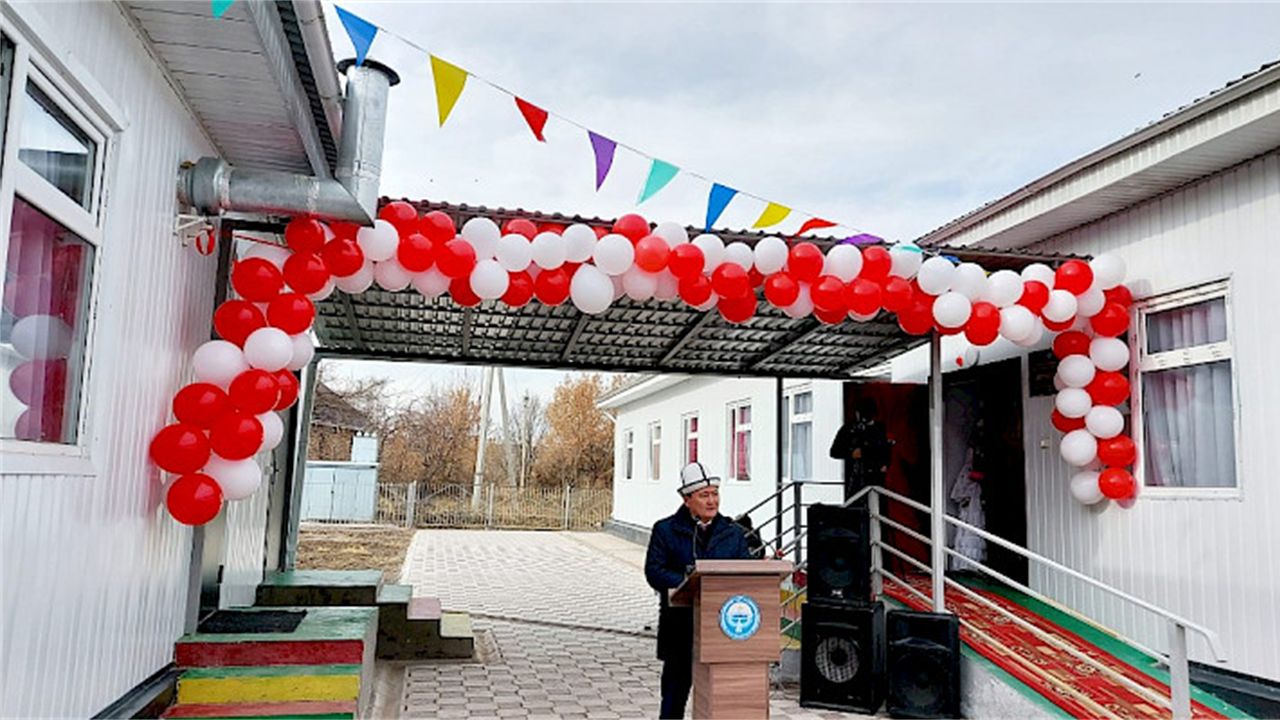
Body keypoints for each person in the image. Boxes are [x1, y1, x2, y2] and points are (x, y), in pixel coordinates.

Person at [644, 462, 752, 719]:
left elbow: (745, 575)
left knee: (720, 701)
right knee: (674, 698)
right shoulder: (665, 530)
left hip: (722, 629)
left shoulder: (734, 533)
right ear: (686, 499)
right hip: (680, 627)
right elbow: (654, 572)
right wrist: (689, 582)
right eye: (704, 495)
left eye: (715, 493)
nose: (712, 501)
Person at [829, 398, 894, 501]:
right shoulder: (849, 429)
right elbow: (834, 451)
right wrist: (851, 453)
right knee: (856, 504)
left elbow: (886, 449)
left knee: (876, 504)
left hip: (876, 478)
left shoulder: (879, 429)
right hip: (856, 477)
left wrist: (885, 463)